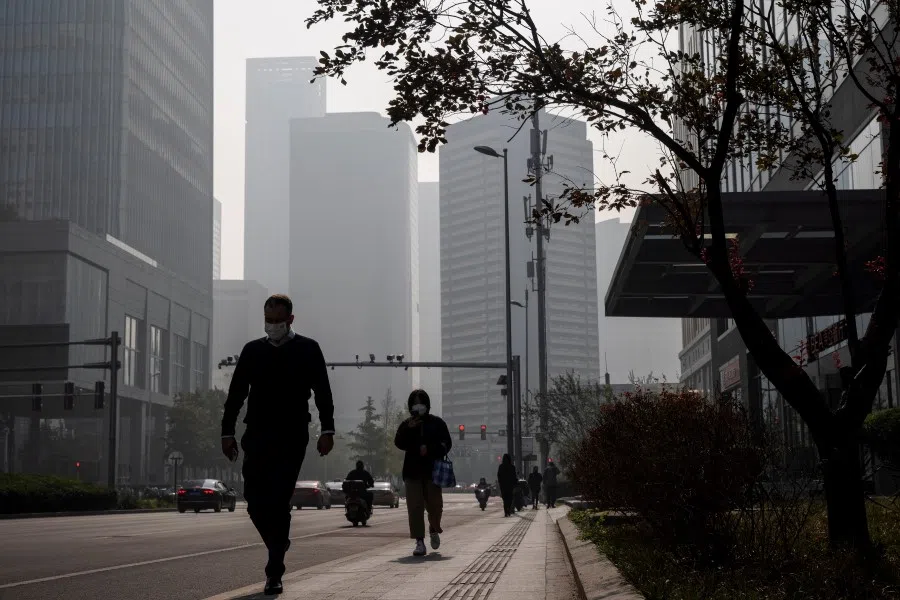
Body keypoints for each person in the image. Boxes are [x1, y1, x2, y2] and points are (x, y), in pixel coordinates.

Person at [220, 294, 335, 596]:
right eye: (268, 320)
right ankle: (278, 542)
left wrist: (328, 430)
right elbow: (236, 394)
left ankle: (274, 571)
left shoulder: (308, 349)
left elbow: (323, 392)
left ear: (290, 320)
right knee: (254, 499)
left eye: (277, 320)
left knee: (279, 499)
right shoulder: (252, 351)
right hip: (257, 434)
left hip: (292, 435)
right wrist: (226, 433)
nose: (272, 326)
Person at [394, 389, 452, 557]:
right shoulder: (406, 424)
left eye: (421, 403)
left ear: (427, 405)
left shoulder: (437, 423)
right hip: (412, 472)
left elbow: (447, 444)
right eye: (414, 403)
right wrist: (408, 429)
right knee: (415, 508)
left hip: (432, 472)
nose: (418, 406)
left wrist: (431, 449)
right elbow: (398, 442)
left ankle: (434, 528)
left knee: (435, 505)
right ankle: (419, 541)